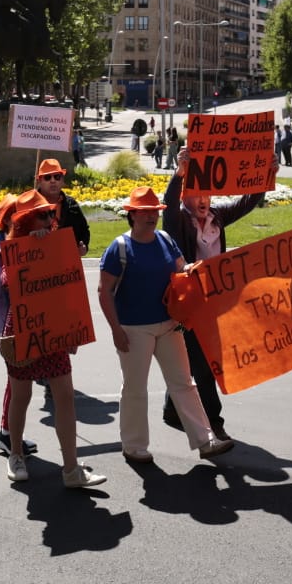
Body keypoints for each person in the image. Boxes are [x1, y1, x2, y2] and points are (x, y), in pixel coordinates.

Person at [98, 185, 234, 464]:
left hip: (170, 324)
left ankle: (205, 440)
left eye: (155, 212)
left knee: (183, 383)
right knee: (135, 388)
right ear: (132, 215)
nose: (152, 217)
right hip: (134, 329)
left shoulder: (164, 239)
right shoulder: (119, 248)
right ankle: (134, 446)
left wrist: (191, 270)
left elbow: (180, 270)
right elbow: (104, 291)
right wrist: (116, 330)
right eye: (146, 212)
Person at [0, 191, 108, 488]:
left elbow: (69, 285)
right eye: (42, 214)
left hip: (55, 329)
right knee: (21, 395)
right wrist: (33, 246)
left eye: (50, 214)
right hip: (24, 328)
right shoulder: (12, 248)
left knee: (65, 395)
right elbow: (8, 280)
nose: (50, 219)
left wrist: (73, 329)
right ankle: (16, 454)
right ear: (25, 220)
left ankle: (71, 469)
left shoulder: (59, 244)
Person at [160, 147, 263, 440]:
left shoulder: (218, 217)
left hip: (214, 303)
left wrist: (265, 174)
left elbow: (246, 202)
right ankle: (214, 423)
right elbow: (167, 203)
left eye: (207, 194)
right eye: (196, 194)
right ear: (185, 198)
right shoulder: (179, 219)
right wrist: (179, 174)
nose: (204, 200)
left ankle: (171, 408)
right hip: (188, 303)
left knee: (194, 359)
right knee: (203, 362)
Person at [0, 195, 37, 458]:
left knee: (16, 382)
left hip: (26, 325)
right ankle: (6, 434)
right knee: (16, 382)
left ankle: (8, 431)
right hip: (6, 328)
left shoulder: (24, 246)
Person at [33, 159, 90, 257]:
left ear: (62, 180)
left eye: (57, 177)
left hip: (66, 267)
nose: (53, 181)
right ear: (39, 181)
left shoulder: (72, 205)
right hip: (38, 264)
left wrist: (84, 247)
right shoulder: (30, 205)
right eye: (47, 177)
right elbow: (17, 234)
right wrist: (32, 234)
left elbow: (84, 230)